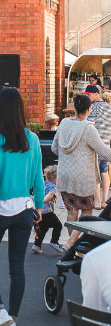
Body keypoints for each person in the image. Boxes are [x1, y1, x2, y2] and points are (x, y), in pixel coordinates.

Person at [0, 87, 45, 326]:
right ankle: (12, 323)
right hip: (24, 211)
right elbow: (38, 179)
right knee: (18, 268)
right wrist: (39, 208)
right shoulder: (32, 139)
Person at [52, 93, 111, 231]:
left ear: (75, 108)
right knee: (86, 215)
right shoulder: (88, 128)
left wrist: (69, 158)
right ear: (89, 109)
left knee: (71, 212)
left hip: (66, 177)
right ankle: (77, 249)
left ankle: (70, 247)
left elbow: (54, 148)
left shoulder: (64, 123)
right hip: (83, 180)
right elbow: (104, 151)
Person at [85, 84, 111, 209]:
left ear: (96, 94)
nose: (88, 97)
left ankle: (97, 202)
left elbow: (90, 125)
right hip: (106, 145)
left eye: (89, 95)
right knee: (104, 172)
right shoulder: (109, 107)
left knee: (95, 174)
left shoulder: (94, 107)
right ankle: (105, 201)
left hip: (96, 145)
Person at [32, 165, 64, 254]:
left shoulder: (43, 184)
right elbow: (50, 195)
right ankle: (54, 241)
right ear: (54, 178)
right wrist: (42, 200)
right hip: (47, 212)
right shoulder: (53, 187)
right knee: (58, 225)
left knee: (42, 229)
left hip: (40, 212)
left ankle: (37, 245)